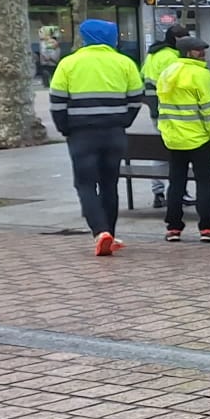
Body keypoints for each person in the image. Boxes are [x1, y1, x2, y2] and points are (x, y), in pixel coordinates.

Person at [47, 19, 147, 257]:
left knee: (84, 183)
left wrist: (65, 128)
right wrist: (123, 121)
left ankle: (100, 231)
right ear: (113, 37)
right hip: (114, 133)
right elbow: (135, 98)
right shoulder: (125, 62)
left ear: (84, 37)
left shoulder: (68, 63)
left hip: (81, 134)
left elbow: (57, 101)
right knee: (109, 184)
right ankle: (110, 233)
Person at [155, 35, 210, 243]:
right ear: (188, 52)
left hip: (174, 138)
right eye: (198, 50)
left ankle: (173, 227)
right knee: (205, 182)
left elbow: (163, 107)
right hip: (199, 138)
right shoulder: (200, 74)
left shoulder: (167, 73)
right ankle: (207, 228)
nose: (203, 53)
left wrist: (167, 132)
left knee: (176, 182)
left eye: (203, 49)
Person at [141, 22, 192, 208]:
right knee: (179, 151)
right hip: (172, 110)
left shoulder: (153, 55)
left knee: (159, 151)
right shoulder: (173, 57)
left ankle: (158, 192)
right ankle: (180, 191)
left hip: (155, 110)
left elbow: (143, 79)